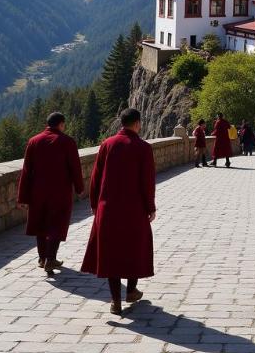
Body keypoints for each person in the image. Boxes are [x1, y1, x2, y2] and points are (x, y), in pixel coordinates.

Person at [81, 108, 156, 316]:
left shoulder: (107, 145)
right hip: (134, 209)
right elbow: (147, 182)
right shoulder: (143, 148)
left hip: (108, 208)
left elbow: (96, 177)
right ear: (137, 123)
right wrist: (150, 207)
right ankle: (131, 290)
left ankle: (115, 300)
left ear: (121, 123)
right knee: (135, 248)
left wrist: (94, 203)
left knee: (110, 253)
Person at [17, 111, 84, 276]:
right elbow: (75, 168)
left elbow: (26, 171)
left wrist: (22, 196)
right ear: (61, 124)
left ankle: (42, 258)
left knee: (40, 224)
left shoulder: (34, 141)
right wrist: (80, 188)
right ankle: (50, 258)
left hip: (37, 192)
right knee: (57, 224)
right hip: (59, 192)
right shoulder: (67, 142)